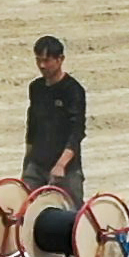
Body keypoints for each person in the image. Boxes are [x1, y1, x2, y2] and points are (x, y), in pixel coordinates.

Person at [24, 34, 87, 194]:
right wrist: (27, 161)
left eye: (46, 60)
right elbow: (32, 125)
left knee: (70, 213)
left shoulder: (73, 91)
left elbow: (76, 131)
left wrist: (61, 165)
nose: (42, 65)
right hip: (37, 166)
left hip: (66, 169)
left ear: (60, 59)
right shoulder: (36, 88)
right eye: (38, 60)